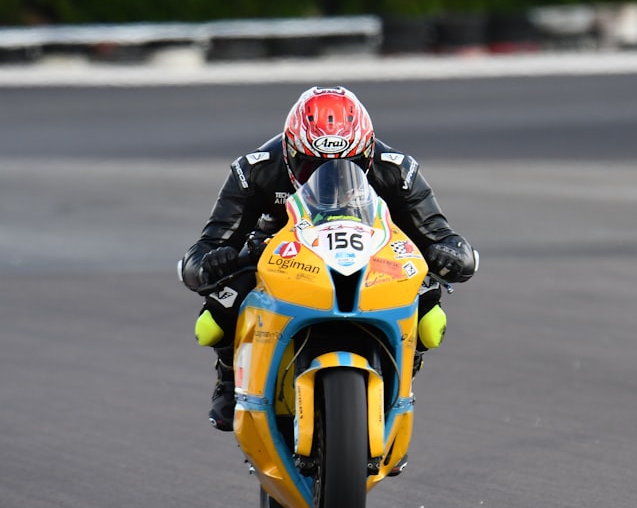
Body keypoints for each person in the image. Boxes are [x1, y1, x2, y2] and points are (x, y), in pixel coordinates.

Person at [179, 86, 477, 431]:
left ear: (365, 152)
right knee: (215, 318)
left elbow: (442, 235)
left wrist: (452, 255)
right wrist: (212, 263)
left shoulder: (396, 169)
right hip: (281, 258)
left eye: (348, 164)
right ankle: (229, 381)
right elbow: (204, 249)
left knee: (429, 314)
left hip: (373, 257)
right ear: (291, 152)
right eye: (311, 166)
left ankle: (398, 383)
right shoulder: (256, 169)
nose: (329, 177)